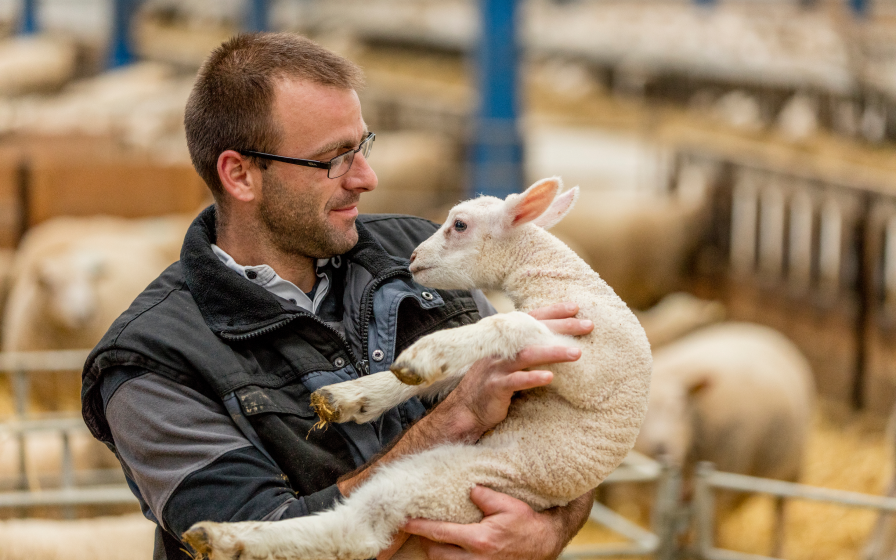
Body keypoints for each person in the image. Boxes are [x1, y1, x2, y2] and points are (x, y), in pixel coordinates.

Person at [81, 32, 595, 560]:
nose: (367, 178)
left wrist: (545, 532)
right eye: (334, 159)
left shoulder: (422, 263)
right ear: (240, 175)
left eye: (362, 146)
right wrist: (452, 421)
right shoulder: (151, 361)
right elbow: (252, 541)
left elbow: (562, 444)